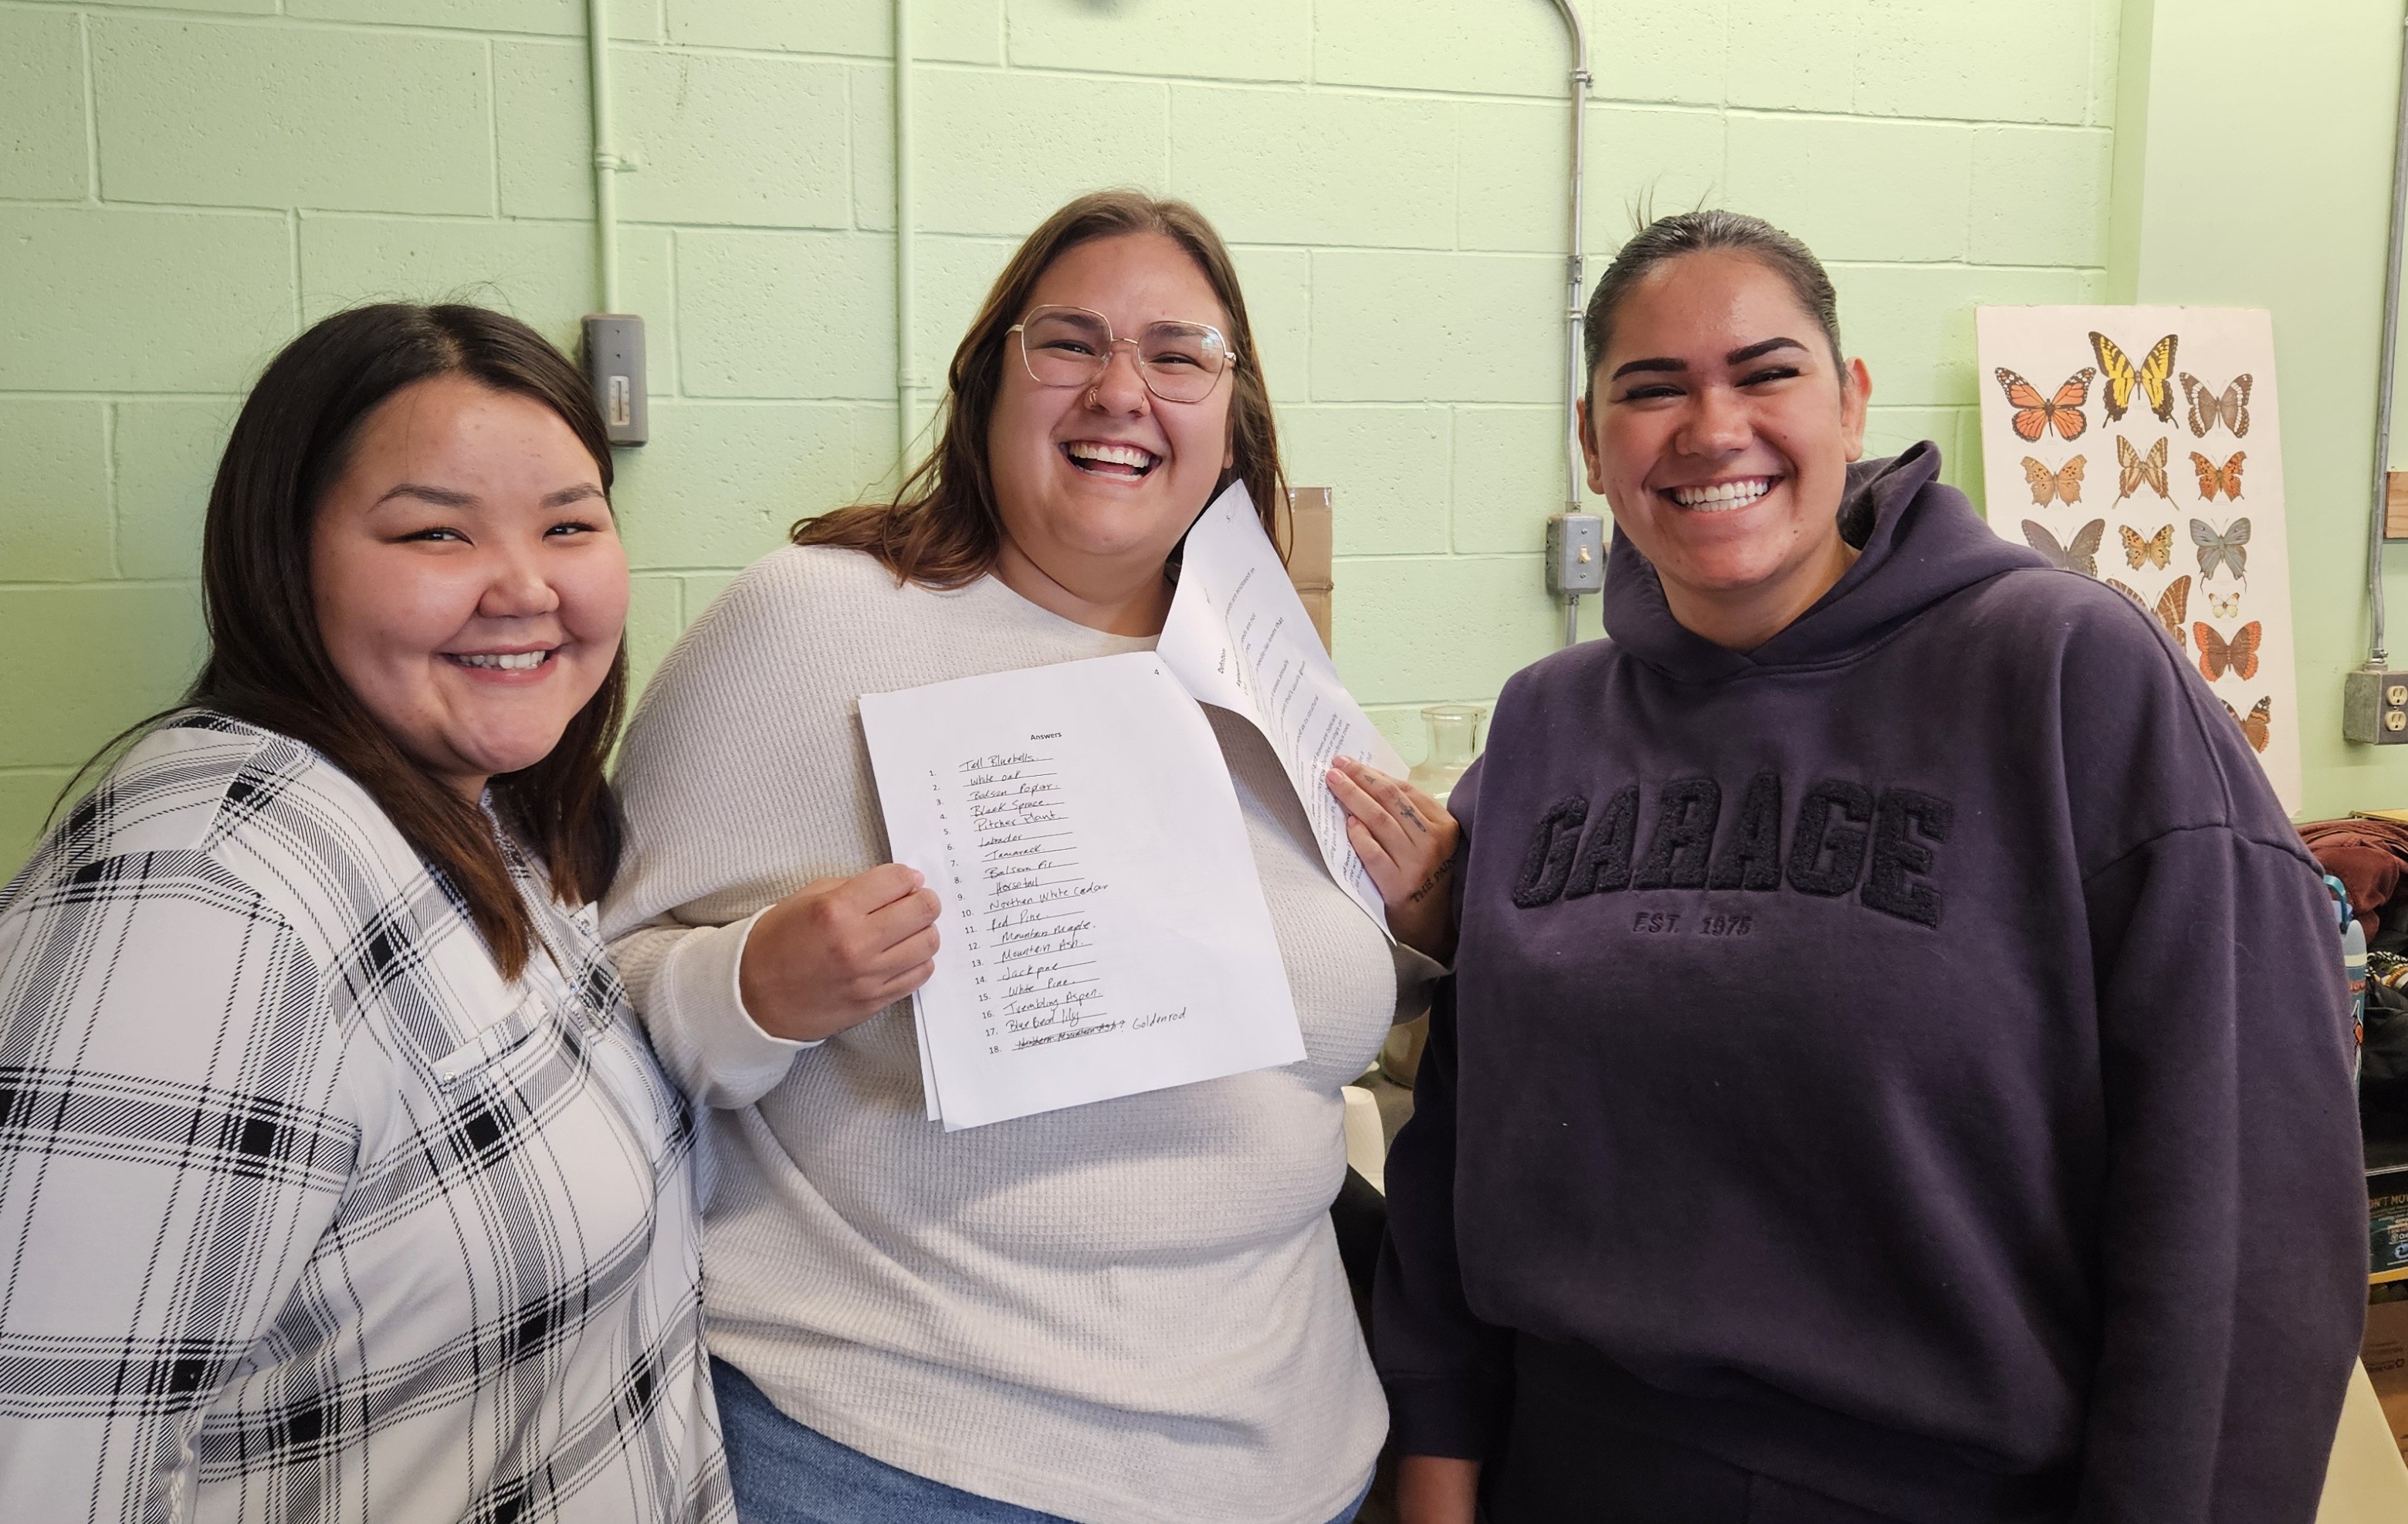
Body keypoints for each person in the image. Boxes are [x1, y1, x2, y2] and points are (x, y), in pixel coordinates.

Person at [1376, 211, 2366, 1524]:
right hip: (1575, 1472)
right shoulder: (1547, 724)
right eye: (1651, 388)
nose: (1710, 425)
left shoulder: (2068, 676)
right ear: (1593, 440)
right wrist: (1438, 1474)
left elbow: (2245, 1211)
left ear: (1850, 401)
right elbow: (1460, 1147)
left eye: (1764, 372)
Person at [601, 190, 1451, 1524]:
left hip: (1292, 1459)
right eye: (1069, 344)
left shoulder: (1262, 671)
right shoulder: (813, 622)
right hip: (903, 1457)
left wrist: (1424, 917)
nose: (1123, 390)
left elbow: (1306, 988)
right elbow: (588, 1003)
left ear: (1232, 413)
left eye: (1178, 356)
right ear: (988, 381)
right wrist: (756, 987)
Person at [0, 305, 731, 1524]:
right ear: (287, 558)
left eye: (569, 523)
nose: (527, 586)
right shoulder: (200, 902)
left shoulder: (479, 814)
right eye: (436, 531)